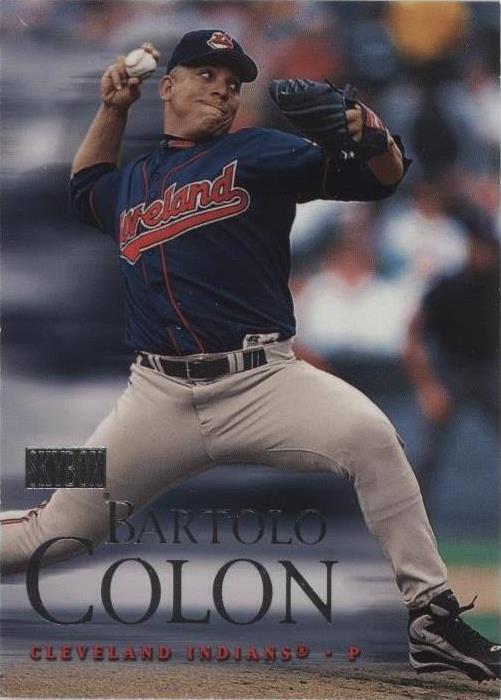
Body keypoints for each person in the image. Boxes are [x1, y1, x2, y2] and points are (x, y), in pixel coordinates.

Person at [1, 30, 499, 682]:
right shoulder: (135, 182)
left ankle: (431, 618)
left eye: (233, 83)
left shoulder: (258, 151)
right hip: (157, 398)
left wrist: (372, 132)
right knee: (56, 531)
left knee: (372, 437)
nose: (222, 89)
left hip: (262, 382)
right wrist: (113, 110)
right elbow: (85, 188)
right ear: (168, 85)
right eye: (206, 74)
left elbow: (378, 179)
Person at [404, 205, 499, 499]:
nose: (482, 254)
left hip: (491, 370)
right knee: (426, 454)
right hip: (450, 371)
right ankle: (410, 517)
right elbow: (412, 338)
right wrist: (427, 387)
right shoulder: (446, 287)